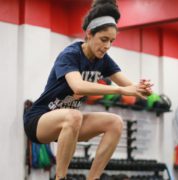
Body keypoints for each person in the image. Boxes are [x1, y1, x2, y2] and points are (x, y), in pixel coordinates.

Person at [23, 0, 153, 179]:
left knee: (115, 122)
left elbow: (129, 85)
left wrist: (141, 89)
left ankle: (93, 178)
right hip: (39, 120)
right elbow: (78, 86)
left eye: (111, 41)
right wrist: (120, 91)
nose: (107, 46)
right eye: (103, 39)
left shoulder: (104, 60)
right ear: (89, 34)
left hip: (69, 125)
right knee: (73, 115)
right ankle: (61, 178)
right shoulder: (70, 55)